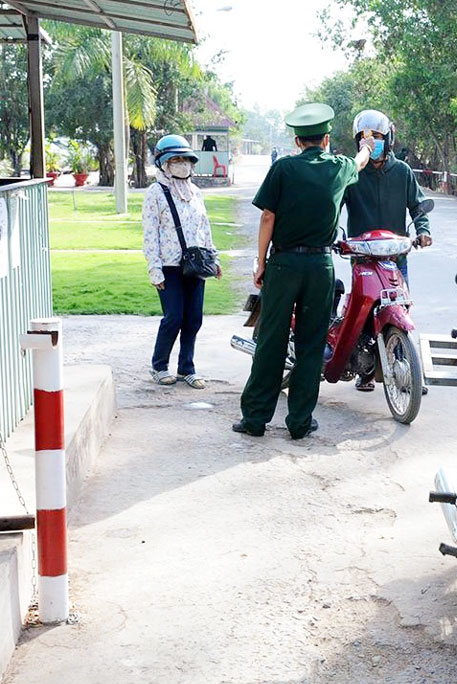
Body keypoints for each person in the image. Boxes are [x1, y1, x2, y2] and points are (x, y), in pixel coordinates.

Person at [233, 103, 373, 439]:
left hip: (283, 265)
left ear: (298, 142)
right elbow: (360, 161)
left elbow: (268, 217)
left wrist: (261, 262)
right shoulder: (339, 167)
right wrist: (366, 146)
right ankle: (299, 422)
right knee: (311, 344)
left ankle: (255, 420)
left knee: (271, 340)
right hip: (319, 266)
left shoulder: (282, 169)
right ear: (326, 139)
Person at [343, 108, 432, 392]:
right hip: (362, 257)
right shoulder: (352, 173)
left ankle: (410, 369)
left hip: (395, 257)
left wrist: (424, 231)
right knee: (364, 313)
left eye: (377, 136)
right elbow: (335, 203)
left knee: (400, 308)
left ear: (389, 138)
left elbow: (418, 207)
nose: (371, 142)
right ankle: (366, 371)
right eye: (365, 137)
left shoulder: (402, 172)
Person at [143, 134, 221, 389]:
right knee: (174, 317)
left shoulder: (195, 192)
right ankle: (159, 365)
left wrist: (214, 258)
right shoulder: (156, 192)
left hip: (195, 265)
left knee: (194, 318)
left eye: (186, 159)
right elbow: (150, 233)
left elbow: (204, 227)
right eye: (176, 159)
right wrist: (154, 269)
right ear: (164, 163)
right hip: (169, 266)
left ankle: (187, 367)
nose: (182, 164)